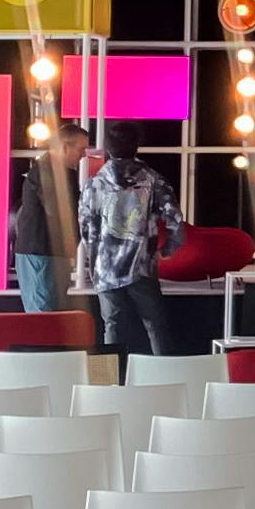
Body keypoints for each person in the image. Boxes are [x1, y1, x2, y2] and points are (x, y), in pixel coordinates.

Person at [74, 120, 185, 357]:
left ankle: (111, 376)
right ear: (136, 145)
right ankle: (163, 374)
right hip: (141, 265)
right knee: (155, 326)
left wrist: (95, 259)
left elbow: (86, 226)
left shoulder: (94, 184)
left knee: (112, 327)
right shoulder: (153, 179)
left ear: (108, 147)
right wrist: (168, 248)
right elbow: (175, 218)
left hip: (105, 267)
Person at [10, 122, 89, 314]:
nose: (84, 154)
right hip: (41, 254)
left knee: (50, 313)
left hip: (49, 254)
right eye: (81, 149)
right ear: (65, 147)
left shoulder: (61, 173)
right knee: (43, 314)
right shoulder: (46, 172)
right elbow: (59, 211)